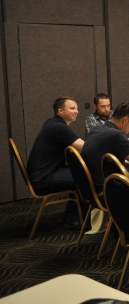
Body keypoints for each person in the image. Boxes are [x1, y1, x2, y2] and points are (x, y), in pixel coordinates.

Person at [27, 97, 85, 228]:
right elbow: (86, 147)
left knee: (80, 174)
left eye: (76, 108)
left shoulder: (52, 122)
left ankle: (72, 217)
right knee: (87, 179)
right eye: (72, 108)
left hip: (40, 173)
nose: (76, 111)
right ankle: (74, 220)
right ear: (60, 111)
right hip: (44, 178)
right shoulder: (59, 127)